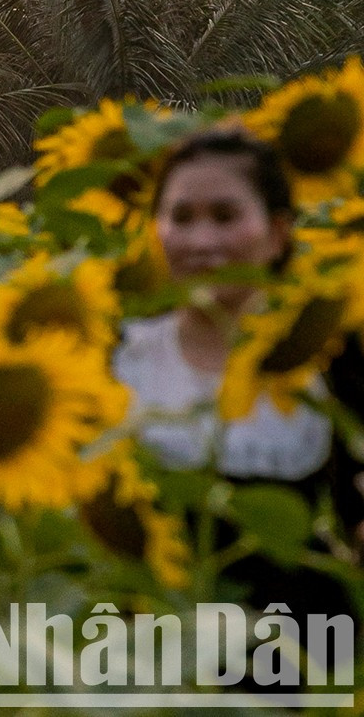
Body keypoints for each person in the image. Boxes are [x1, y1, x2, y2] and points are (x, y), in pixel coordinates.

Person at [113, 127, 364, 618]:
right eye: (180, 217)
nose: (201, 240)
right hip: (146, 666)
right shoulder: (116, 356)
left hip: (303, 667)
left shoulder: (330, 356)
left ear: (277, 232)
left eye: (225, 216)